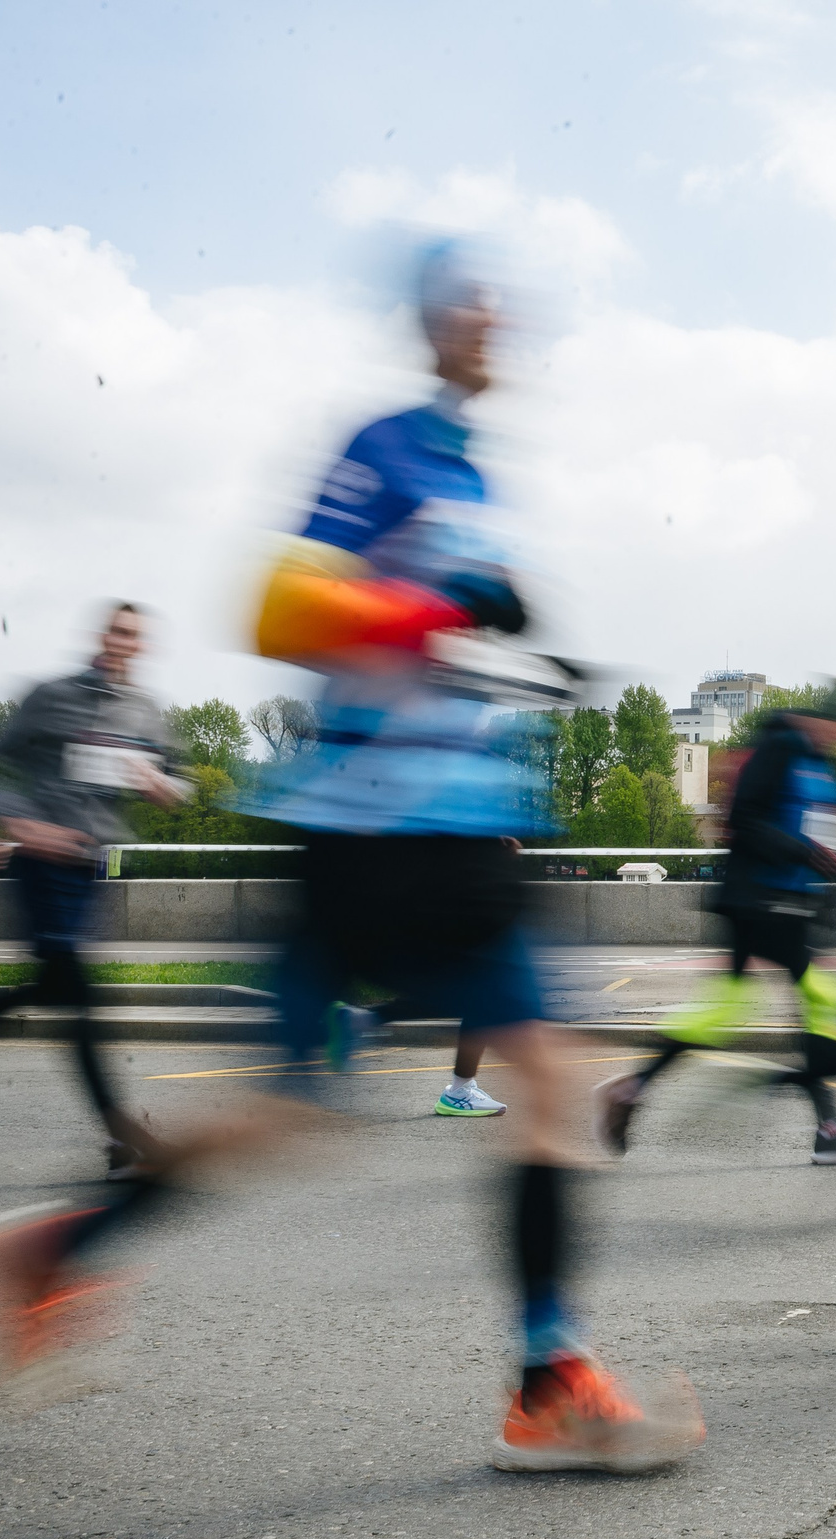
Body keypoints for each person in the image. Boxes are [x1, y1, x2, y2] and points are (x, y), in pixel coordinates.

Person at [253, 239, 702, 1472]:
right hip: (375, 826)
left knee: (551, 1083)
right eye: (475, 306)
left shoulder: (465, 467)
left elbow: (440, 637)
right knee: (285, 1115)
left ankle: (546, 1376)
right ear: (435, 321)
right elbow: (282, 608)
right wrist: (453, 614)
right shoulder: (385, 445)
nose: (497, 323)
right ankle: (54, 1251)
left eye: (504, 306)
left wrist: (517, 659)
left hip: (451, 825)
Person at [596, 686, 836, 1163]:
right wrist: (807, 853)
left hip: (788, 902)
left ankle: (632, 1088)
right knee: (822, 998)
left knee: (727, 1010)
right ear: (817, 722)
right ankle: (830, 1131)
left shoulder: (824, 766)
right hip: (759, 900)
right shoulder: (780, 750)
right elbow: (746, 820)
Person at [0, 602, 190, 1175]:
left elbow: (179, 783)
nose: (120, 640)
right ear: (100, 635)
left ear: (141, 645)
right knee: (77, 995)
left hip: (91, 869)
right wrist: (21, 822)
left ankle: (121, 1135)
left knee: (55, 988)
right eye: (114, 629)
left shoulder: (144, 711)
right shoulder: (51, 695)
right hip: (42, 864)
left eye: (132, 634)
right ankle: (123, 1135)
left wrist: (161, 783)